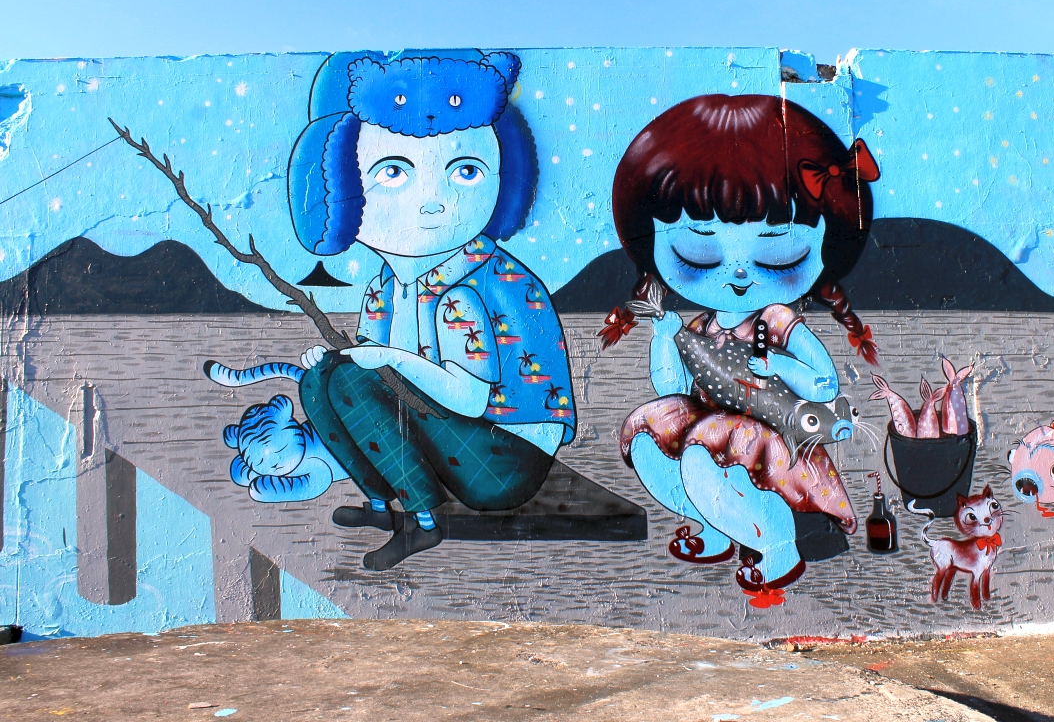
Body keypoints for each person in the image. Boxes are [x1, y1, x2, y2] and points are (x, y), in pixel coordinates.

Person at [287, 51, 575, 570]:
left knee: (353, 379)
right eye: (394, 172)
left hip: (508, 457)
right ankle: (382, 505)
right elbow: (374, 368)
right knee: (323, 379)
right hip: (455, 434)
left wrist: (388, 360)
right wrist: (343, 360)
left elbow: (468, 398)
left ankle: (424, 523)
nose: (432, 201)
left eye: (465, 171)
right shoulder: (384, 287)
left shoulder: (466, 290)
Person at [602, 93, 879, 605]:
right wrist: (664, 334)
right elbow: (672, 387)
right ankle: (718, 527)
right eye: (696, 250)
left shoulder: (775, 320)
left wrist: (776, 364)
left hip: (776, 443)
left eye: (778, 253)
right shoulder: (703, 325)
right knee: (650, 435)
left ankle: (779, 547)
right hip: (715, 433)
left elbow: (824, 384)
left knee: (702, 447)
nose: (737, 274)